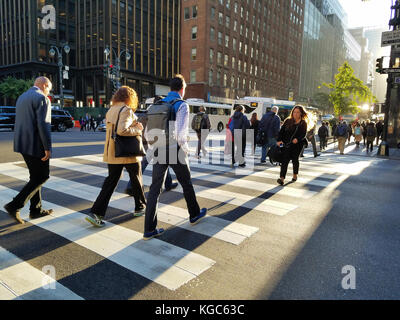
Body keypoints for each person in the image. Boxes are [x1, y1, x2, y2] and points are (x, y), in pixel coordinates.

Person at [143, 74, 207, 240]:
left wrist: (153, 149)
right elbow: (180, 134)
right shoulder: (181, 105)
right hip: (174, 150)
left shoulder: (157, 104)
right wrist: (186, 150)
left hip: (158, 148)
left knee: (155, 189)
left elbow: (146, 133)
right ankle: (194, 214)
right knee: (186, 183)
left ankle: (149, 229)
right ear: (182, 88)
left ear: (170, 88)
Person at [85, 86, 146, 228]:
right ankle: (140, 207)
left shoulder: (111, 110)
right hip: (127, 152)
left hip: (113, 152)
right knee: (136, 179)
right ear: (130, 97)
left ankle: (96, 212)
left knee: (110, 183)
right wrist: (138, 129)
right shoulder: (126, 110)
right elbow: (122, 130)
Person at [3, 77, 53, 224]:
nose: (48, 92)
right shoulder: (42, 99)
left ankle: (36, 210)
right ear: (44, 85)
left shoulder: (21, 97)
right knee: (42, 176)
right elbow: (43, 125)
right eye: (49, 89)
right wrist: (47, 148)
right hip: (36, 144)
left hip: (22, 144)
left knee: (35, 176)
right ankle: (15, 205)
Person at [125, 95, 178, 195]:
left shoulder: (148, 110)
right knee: (159, 162)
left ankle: (168, 183)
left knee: (153, 164)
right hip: (156, 142)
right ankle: (131, 186)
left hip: (146, 142)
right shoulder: (160, 112)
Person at [276, 105, 308, 185]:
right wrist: (279, 140)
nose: (295, 114)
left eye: (298, 112)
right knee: (285, 161)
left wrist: (297, 139)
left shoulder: (303, 123)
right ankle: (282, 178)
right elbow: (281, 131)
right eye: (294, 112)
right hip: (287, 144)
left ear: (301, 113)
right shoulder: (288, 121)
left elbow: (303, 134)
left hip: (297, 145)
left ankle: (295, 175)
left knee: (295, 159)